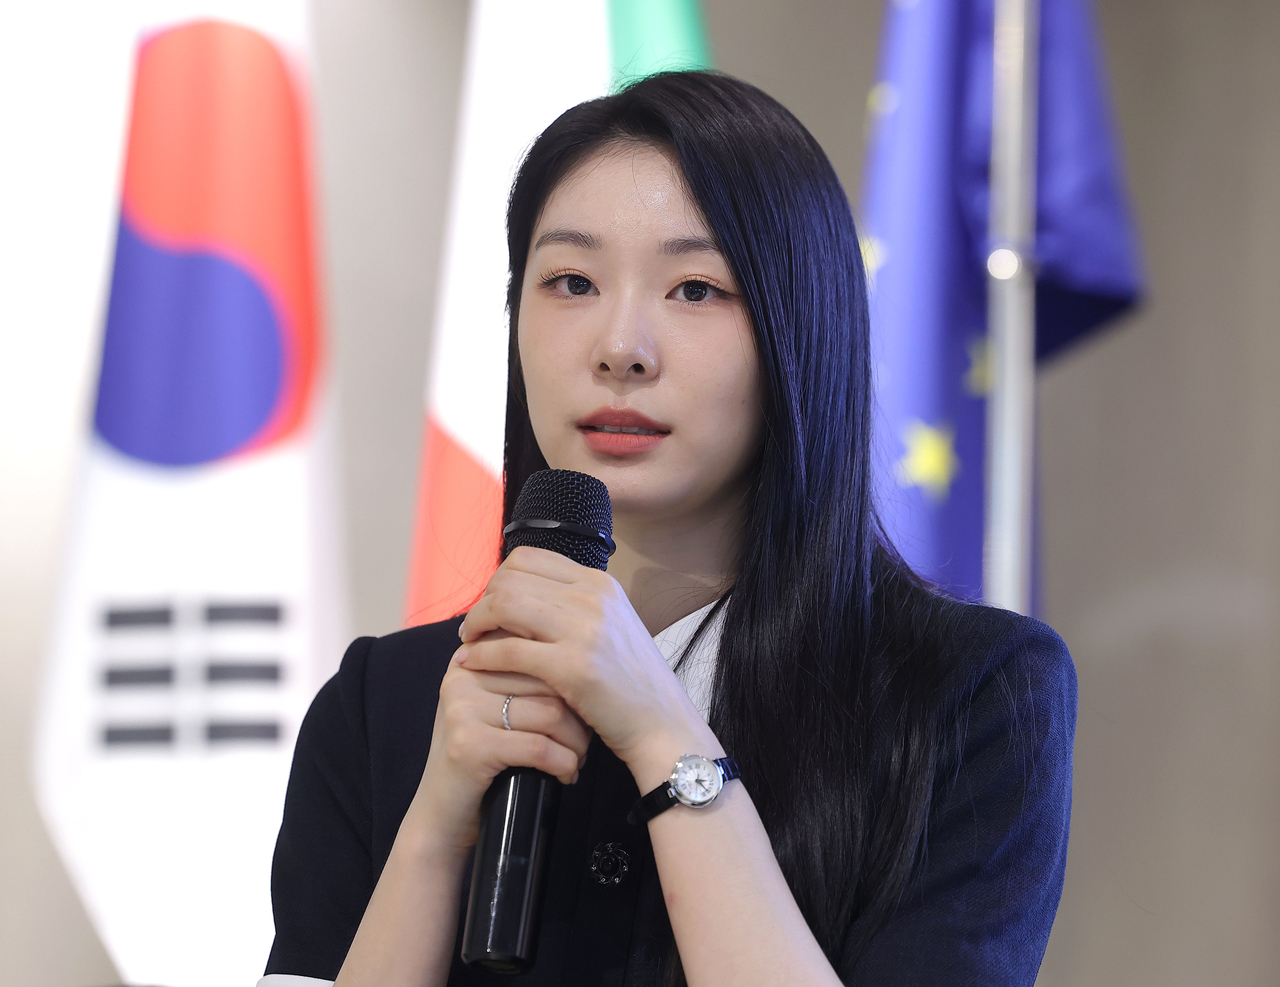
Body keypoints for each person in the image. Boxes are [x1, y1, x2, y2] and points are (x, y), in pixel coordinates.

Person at [261, 71, 1076, 987]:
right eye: (571, 281)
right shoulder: (382, 703)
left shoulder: (969, 697)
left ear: (801, 330)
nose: (621, 347)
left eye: (694, 288)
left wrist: (664, 735)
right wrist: (437, 824)